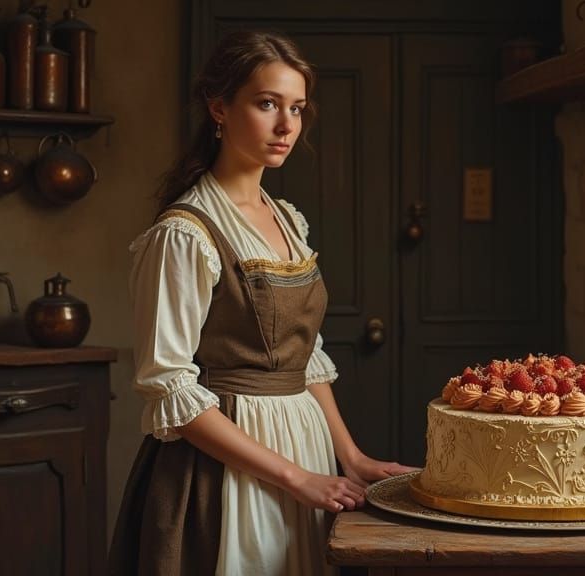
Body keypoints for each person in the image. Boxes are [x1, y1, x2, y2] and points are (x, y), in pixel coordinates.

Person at [109, 31, 416, 575]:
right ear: (219, 107)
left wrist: (349, 456)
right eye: (267, 103)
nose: (286, 126)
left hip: (305, 446)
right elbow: (168, 386)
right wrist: (293, 477)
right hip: (226, 466)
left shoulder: (287, 220)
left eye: (296, 108)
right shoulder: (183, 234)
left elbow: (305, 358)